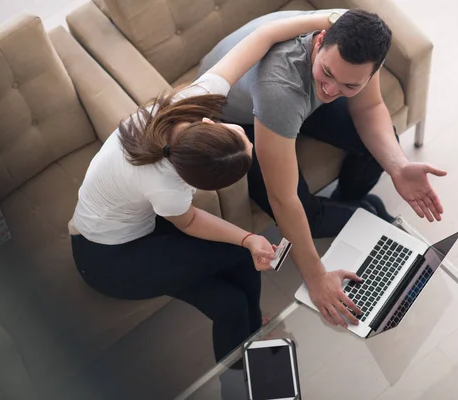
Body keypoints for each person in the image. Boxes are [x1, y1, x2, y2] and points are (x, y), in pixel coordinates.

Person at [68, 13, 335, 365]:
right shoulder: (164, 184)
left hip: (136, 222)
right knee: (235, 279)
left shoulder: (194, 101)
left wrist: (331, 18)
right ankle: (242, 359)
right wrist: (247, 239)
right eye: (245, 136)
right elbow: (190, 221)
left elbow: (266, 34)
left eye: (239, 135)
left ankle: (249, 334)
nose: (246, 135)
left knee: (234, 298)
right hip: (108, 260)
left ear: (210, 124)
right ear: (194, 183)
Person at [197, 9, 448, 329]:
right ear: (318, 42)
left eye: (349, 84)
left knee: (385, 148)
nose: (330, 90)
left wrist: (398, 166)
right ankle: (363, 213)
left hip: (298, 101)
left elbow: (370, 108)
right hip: (240, 118)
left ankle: (349, 201)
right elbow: (283, 198)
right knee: (306, 212)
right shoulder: (280, 87)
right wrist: (316, 277)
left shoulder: (366, 45)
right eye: (326, 73)